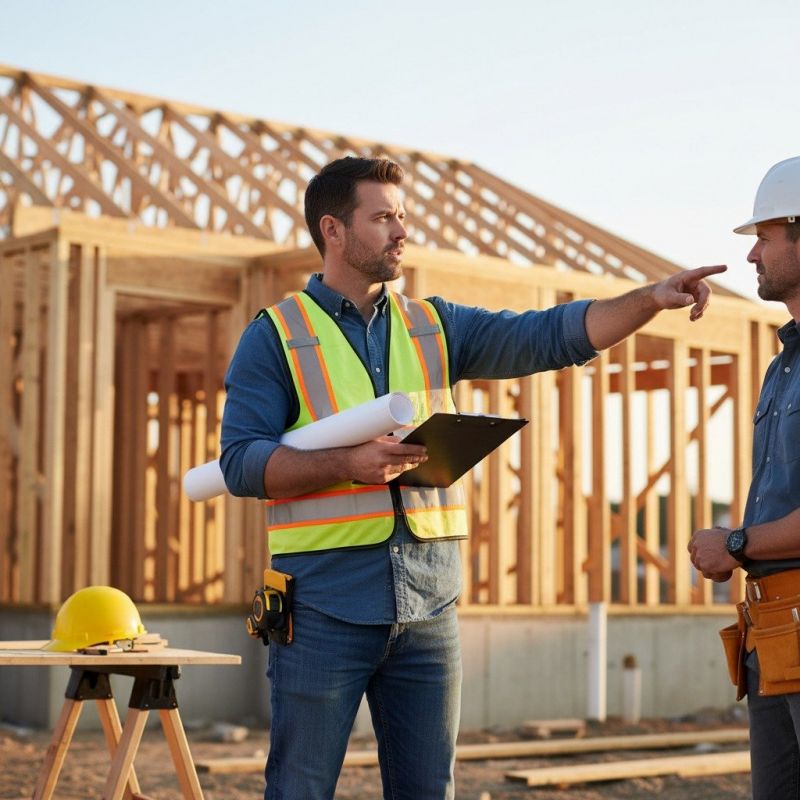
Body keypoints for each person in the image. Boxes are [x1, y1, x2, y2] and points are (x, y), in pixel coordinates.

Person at [220, 155, 725, 800]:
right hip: (323, 612)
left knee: (431, 790)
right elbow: (240, 463)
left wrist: (650, 300)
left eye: (402, 216)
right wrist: (346, 464)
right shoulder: (276, 336)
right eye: (382, 217)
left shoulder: (434, 325)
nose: (401, 231)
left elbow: (549, 336)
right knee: (301, 788)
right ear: (334, 231)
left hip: (431, 608)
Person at [689, 155, 800, 800]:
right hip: (776, 633)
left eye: (767, 236)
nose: (752, 254)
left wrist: (736, 544)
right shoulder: (784, 364)